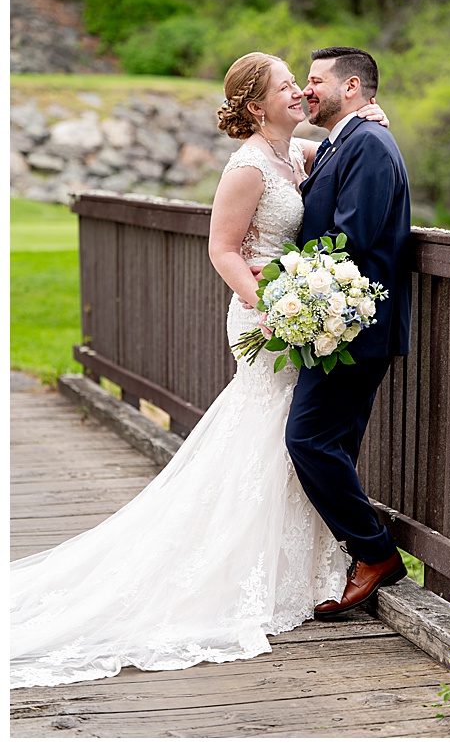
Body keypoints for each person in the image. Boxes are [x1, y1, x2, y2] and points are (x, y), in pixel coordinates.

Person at [11, 52, 391, 688]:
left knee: (283, 439)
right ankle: (255, 568)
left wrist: (368, 116)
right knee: (276, 435)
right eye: (285, 86)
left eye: (302, 83)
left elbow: (337, 156)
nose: (299, 91)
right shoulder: (246, 168)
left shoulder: (295, 156)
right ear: (254, 106)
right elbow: (221, 248)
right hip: (267, 316)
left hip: (298, 309)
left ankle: (300, 565)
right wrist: (267, 304)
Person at [287, 46, 414, 619]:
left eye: (315, 81)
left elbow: (353, 239)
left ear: (353, 87)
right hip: (339, 323)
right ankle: (348, 553)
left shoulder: (367, 142)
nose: (308, 90)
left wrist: (291, 283)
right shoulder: (348, 139)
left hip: (356, 325)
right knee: (332, 443)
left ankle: (375, 553)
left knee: (308, 439)